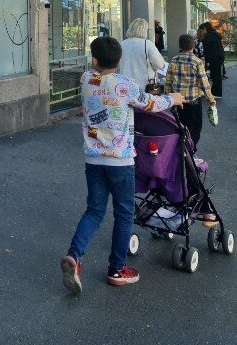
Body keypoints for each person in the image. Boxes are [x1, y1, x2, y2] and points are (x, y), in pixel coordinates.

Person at [60, 37, 183, 294]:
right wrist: (174, 98)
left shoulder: (86, 80)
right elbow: (151, 104)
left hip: (93, 159)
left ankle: (75, 255)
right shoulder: (126, 85)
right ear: (119, 61)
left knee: (94, 211)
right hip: (121, 160)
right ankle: (117, 269)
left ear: (94, 61)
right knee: (124, 213)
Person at [166, 33, 218, 148]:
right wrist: (211, 100)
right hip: (193, 103)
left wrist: (169, 98)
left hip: (178, 102)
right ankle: (189, 150)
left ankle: (181, 150)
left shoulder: (174, 60)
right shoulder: (197, 61)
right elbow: (204, 83)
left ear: (180, 46)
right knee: (195, 128)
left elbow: (168, 82)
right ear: (193, 46)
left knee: (180, 127)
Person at [119, 18, 167, 90]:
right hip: (144, 85)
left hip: (125, 84)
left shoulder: (122, 44)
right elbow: (160, 64)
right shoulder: (147, 44)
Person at [200, 22, 225, 99]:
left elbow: (208, 50)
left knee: (215, 75)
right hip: (219, 56)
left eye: (201, 31)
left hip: (214, 58)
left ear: (205, 29)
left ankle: (216, 93)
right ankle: (215, 92)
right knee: (216, 75)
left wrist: (206, 61)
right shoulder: (215, 34)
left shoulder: (209, 36)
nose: (201, 33)